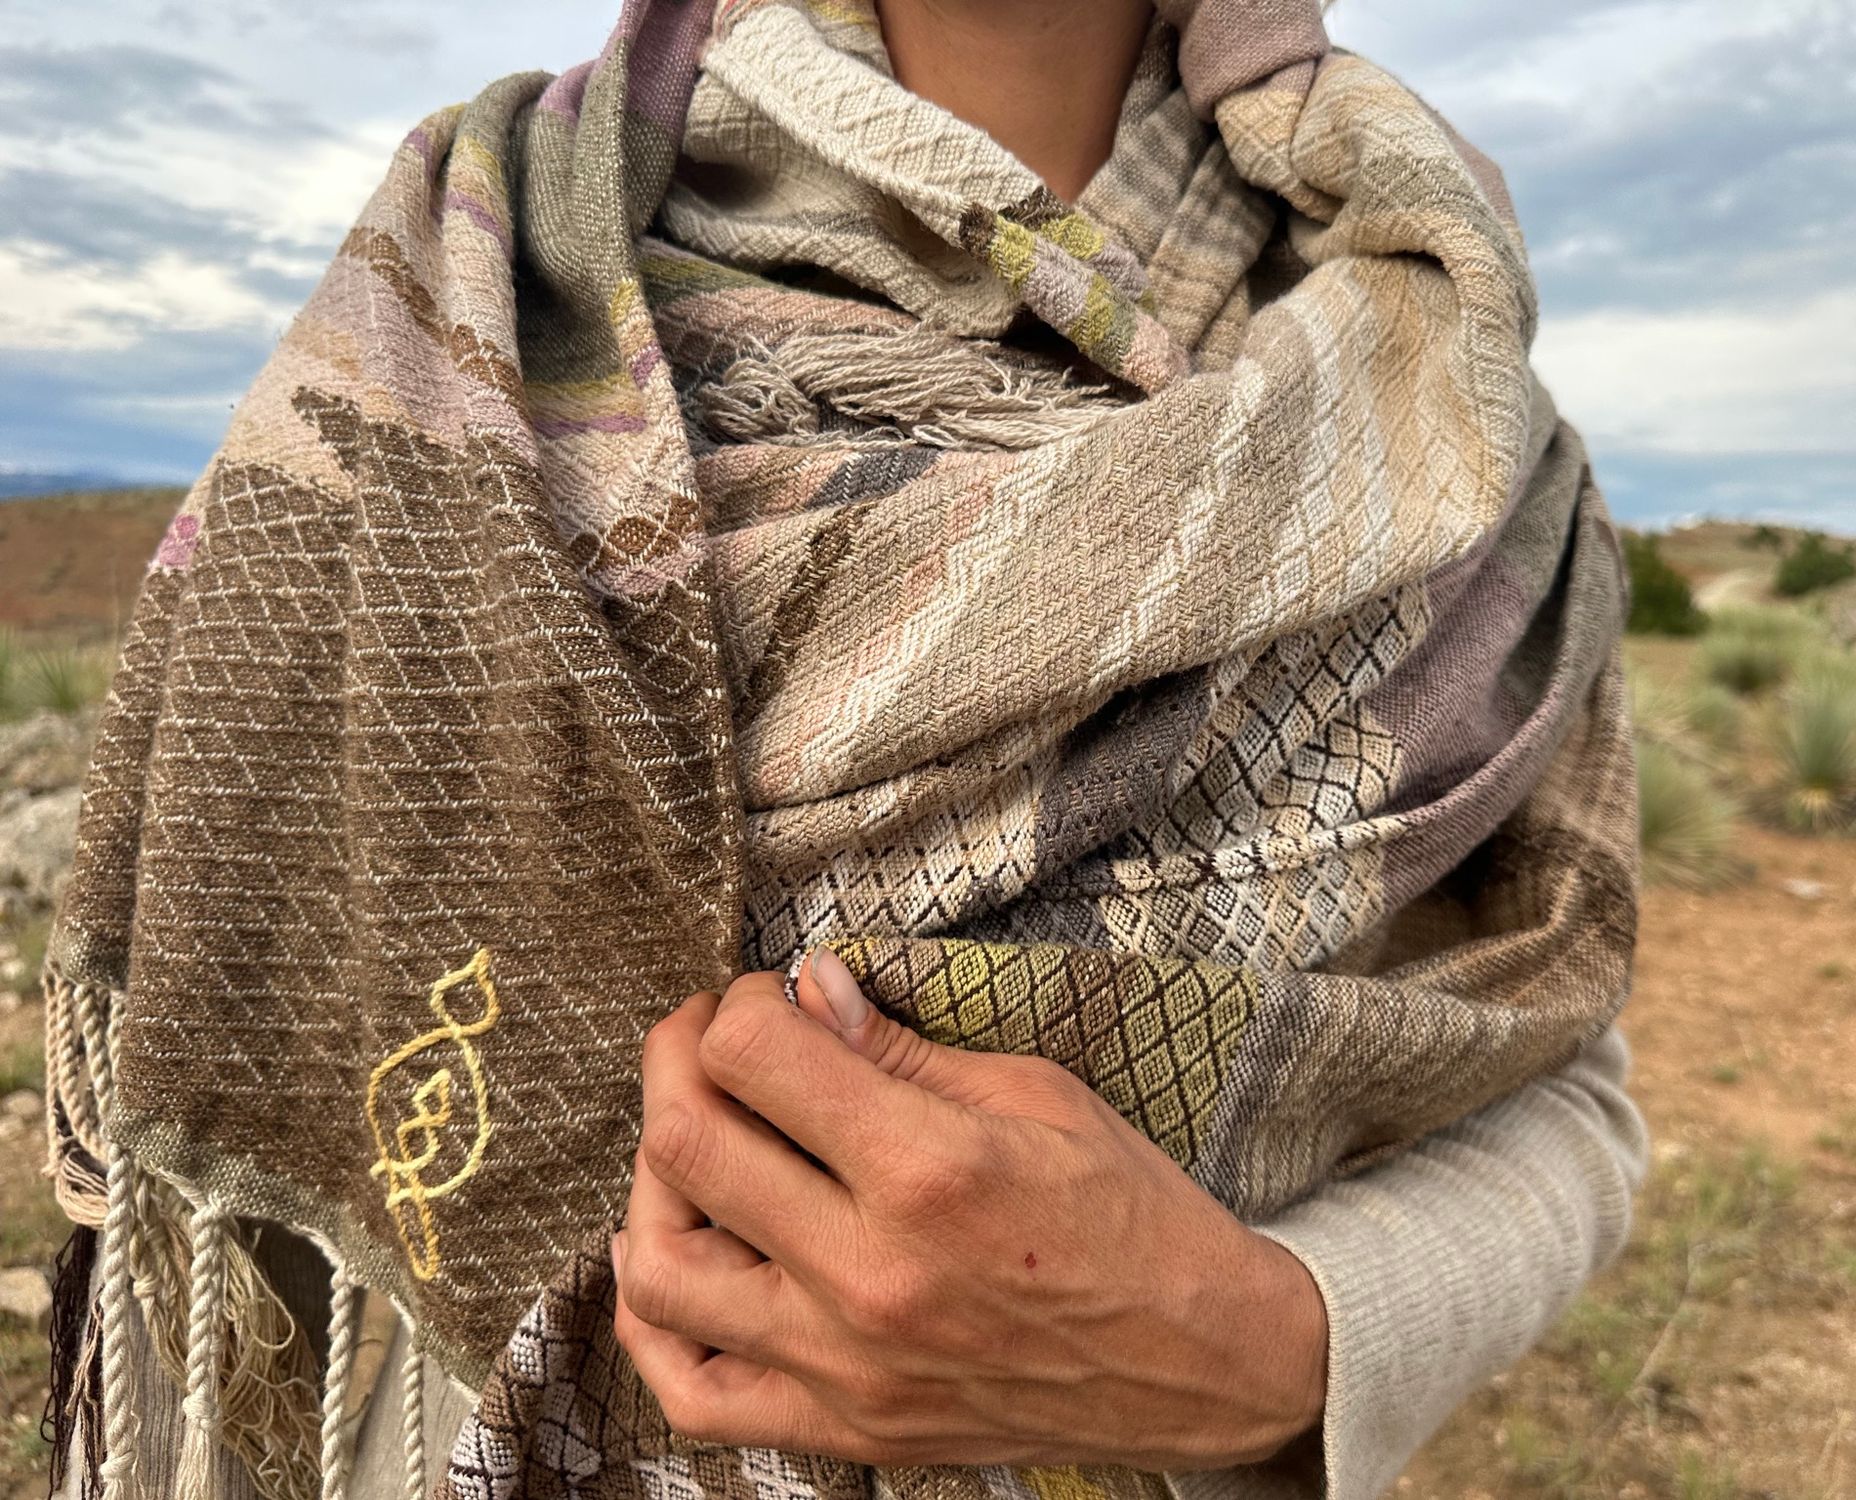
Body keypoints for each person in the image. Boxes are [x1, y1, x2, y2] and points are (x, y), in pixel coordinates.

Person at [45, 1, 1645, 1497]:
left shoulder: (1453, 410)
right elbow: (231, 930)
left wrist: (1278, 1339)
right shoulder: (464, 290)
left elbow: (1566, 1081)